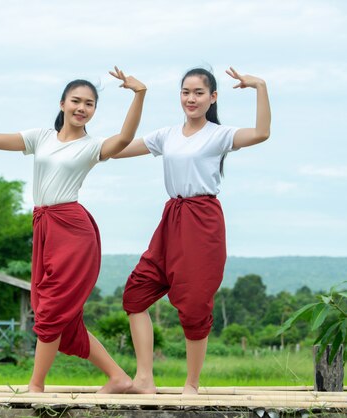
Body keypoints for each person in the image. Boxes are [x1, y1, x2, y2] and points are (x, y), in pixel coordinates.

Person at [0, 67, 147, 393]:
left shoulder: (92, 146)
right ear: (63, 103)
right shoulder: (41, 137)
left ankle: (35, 386)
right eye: (76, 100)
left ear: (93, 110)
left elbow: (124, 138)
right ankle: (119, 378)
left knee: (50, 310)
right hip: (46, 228)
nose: (82, 107)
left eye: (89, 104)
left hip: (73, 232)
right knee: (62, 315)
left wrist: (139, 94)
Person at [115, 67, 271, 395]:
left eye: (199, 93)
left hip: (203, 221)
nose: (191, 98)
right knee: (136, 294)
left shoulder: (218, 134)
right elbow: (117, 148)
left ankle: (192, 383)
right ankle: (144, 378)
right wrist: (137, 95)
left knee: (196, 302)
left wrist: (260, 86)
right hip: (172, 217)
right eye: (186, 92)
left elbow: (260, 133)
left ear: (213, 97)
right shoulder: (166, 135)